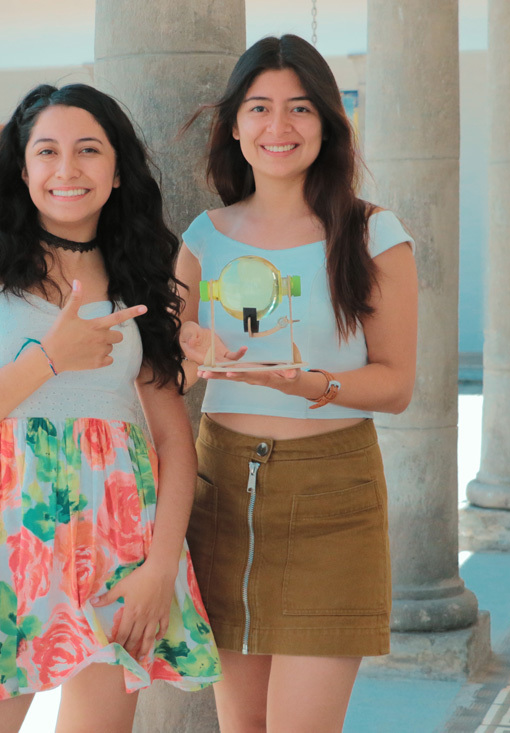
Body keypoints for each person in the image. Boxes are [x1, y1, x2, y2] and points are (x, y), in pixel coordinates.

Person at [0, 83, 221, 733]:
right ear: (22, 169)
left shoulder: (140, 273)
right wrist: (48, 358)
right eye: (47, 151)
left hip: (119, 545)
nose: (67, 168)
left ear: (117, 171)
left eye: (89, 150)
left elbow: (172, 441)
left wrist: (161, 567)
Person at [176, 35, 418, 732]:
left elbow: (396, 383)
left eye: (300, 108)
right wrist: (188, 351)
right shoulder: (203, 236)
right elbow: (172, 370)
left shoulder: (373, 233)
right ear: (234, 125)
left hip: (333, 497)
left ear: (328, 122)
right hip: (222, 492)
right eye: (259, 107)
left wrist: (310, 385)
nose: (278, 126)